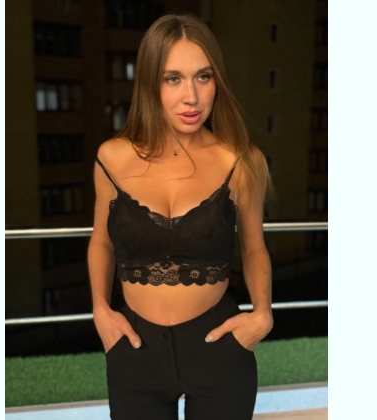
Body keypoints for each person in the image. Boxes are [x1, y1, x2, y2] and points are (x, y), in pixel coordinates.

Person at [88, 14, 273, 420]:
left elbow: (254, 247)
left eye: (203, 77)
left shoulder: (242, 161)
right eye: (173, 79)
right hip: (134, 349)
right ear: (149, 83)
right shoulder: (112, 158)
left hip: (219, 347)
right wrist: (100, 309)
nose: (191, 96)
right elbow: (101, 240)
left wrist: (262, 313)